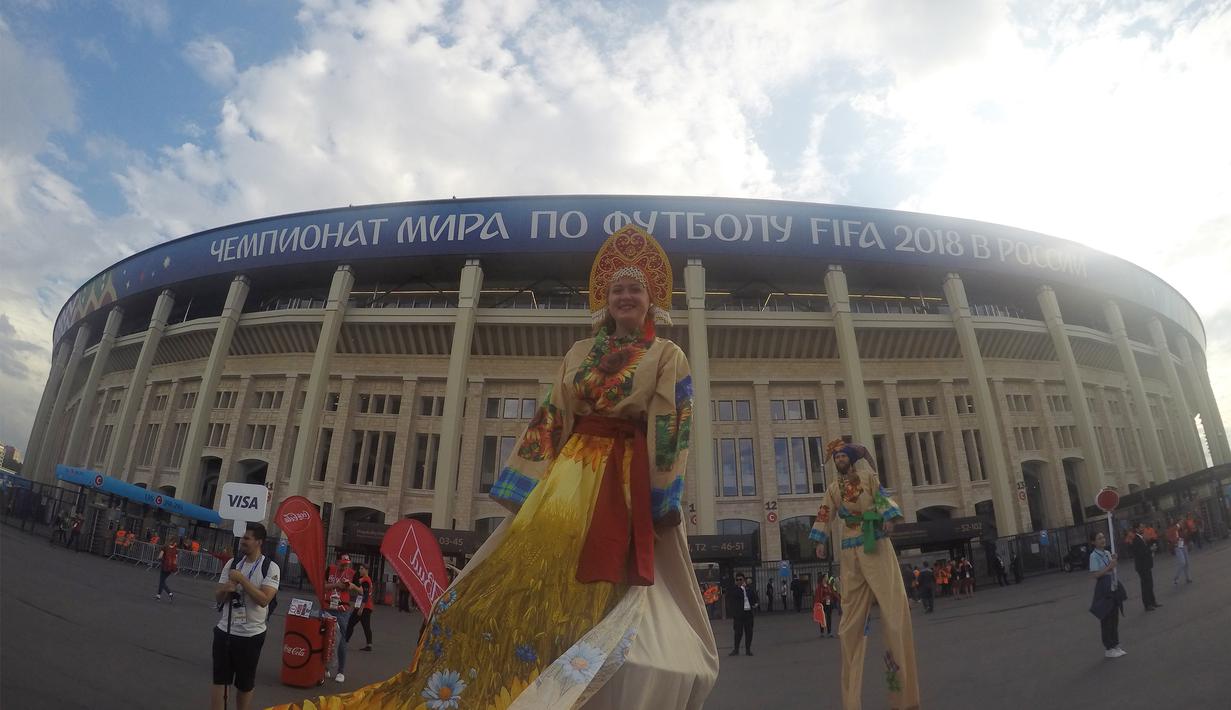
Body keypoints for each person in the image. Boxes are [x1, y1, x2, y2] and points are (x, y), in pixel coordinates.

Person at [275, 225, 718, 710]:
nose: (626, 296)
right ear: (605, 300)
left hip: (623, 473)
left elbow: (672, 426)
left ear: (651, 300)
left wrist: (660, 497)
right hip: (572, 472)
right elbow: (553, 414)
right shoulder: (577, 352)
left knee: (606, 567)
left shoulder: (667, 354)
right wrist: (526, 482)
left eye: (635, 289)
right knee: (536, 561)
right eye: (618, 290)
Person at [812, 439, 920, 710]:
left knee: (894, 617)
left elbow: (883, 499)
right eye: (835, 458)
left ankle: (903, 697)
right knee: (850, 626)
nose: (838, 460)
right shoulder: (834, 488)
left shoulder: (868, 478)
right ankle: (851, 703)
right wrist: (819, 540)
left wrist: (888, 517)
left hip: (876, 545)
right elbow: (825, 514)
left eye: (841, 456)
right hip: (851, 553)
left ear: (850, 458)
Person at [212, 522, 280, 710]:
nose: (242, 541)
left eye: (247, 538)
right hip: (224, 630)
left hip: (251, 635)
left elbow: (264, 599)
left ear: (259, 542)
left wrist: (242, 579)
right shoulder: (232, 564)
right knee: (219, 680)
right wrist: (227, 588)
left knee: (245, 683)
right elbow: (218, 596)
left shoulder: (270, 567)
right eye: (242, 538)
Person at [1087, 531, 1126, 658]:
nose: (1102, 540)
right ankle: (1108, 648)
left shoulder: (1107, 553)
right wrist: (1110, 566)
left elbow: (1113, 567)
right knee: (1106, 617)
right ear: (1093, 542)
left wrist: (1114, 560)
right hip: (1103, 587)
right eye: (1099, 538)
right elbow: (1095, 574)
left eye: (1103, 537)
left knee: (1114, 616)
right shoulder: (1093, 556)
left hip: (1112, 584)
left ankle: (1115, 644)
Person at [323, 554, 360, 683]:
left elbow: (360, 591)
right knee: (326, 637)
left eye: (347, 563)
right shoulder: (330, 569)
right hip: (328, 606)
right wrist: (335, 585)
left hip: (342, 610)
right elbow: (322, 586)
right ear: (337, 562)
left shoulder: (352, 573)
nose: (345, 566)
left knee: (342, 639)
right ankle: (325, 667)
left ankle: (341, 671)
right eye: (343, 563)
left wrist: (351, 586)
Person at [1129, 523, 1161, 611]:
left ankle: (1153, 601)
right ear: (1136, 529)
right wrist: (1150, 550)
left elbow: (1144, 549)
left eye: (1143, 527)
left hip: (1146, 565)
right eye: (1141, 527)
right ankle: (1147, 604)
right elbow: (1139, 553)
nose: (1142, 528)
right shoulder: (1136, 539)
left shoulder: (1142, 538)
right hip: (1142, 566)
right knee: (1146, 585)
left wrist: (1151, 549)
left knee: (1150, 584)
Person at [726, 573, 758, 655]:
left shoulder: (749, 589)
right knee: (738, 633)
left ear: (744, 580)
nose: (739, 581)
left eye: (741, 579)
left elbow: (754, 597)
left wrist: (755, 604)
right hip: (739, 614)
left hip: (748, 613)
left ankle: (748, 649)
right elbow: (734, 595)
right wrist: (742, 588)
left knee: (749, 632)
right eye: (737, 580)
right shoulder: (734, 589)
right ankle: (736, 649)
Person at [346, 562, 375, 651]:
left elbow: (365, 595)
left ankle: (345, 641)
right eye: (359, 569)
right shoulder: (364, 579)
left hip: (364, 606)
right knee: (366, 625)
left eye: (362, 569)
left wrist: (361, 608)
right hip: (366, 606)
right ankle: (369, 645)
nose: (359, 570)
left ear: (366, 570)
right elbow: (362, 592)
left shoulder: (366, 580)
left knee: (350, 623)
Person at [155, 536, 179, 601]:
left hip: (165, 566)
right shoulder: (176, 550)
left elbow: (160, 556)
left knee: (162, 581)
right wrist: (175, 568)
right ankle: (158, 596)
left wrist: (157, 558)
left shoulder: (165, 547)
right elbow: (175, 560)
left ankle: (169, 593)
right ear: (175, 543)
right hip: (171, 568)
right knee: (162, 581)